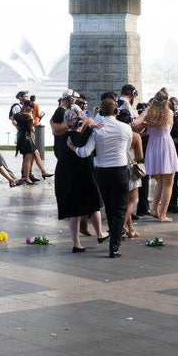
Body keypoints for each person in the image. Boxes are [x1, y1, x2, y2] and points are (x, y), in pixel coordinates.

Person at [69, 98, 132, 258]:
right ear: (116, 111)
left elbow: (85, 152)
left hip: (102, 172)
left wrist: (73, 147)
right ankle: (115, 245)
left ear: (101, 112)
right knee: (120, 209)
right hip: (120, 170)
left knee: (109, 207)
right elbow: (127, 148)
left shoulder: (97, 129)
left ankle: (113, 236)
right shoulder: (126, 128)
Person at [52, 90, 105, 250]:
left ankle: (76, 243)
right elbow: (87, 150)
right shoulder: (82, 137)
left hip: (64, 177)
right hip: (83, 176)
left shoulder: (62, 139)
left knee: (74, 212)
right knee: (94, 204)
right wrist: (92, 124)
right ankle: (100, 233)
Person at [133, 97, 178, 220]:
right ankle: (163, 214)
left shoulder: (149, 114)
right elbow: (169, 129)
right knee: (168, 182)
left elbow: (135, 124)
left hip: (153, 146)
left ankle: (154, 209)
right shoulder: (169, 113)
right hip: (165, 145)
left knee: (160, 181)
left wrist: (147, 112)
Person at [120, 108, 145, 239]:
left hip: (118, 167)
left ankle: (130, 229)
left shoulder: (117, 133)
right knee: (132, 201)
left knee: (125, 200)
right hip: (131, 169)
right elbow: (140, 156)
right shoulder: (135, 136)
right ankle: (121, 226)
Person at [14, 100, 41, 184]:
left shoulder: (17, 115)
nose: (32, 110)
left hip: (20, 137)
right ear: (27, 107)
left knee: (32, 155)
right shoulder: (28, 117)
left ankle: (28, 175)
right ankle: (26, 176)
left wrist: (18, 126)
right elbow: (32, 129)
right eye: (31, 108)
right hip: (27, 138)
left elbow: (13, 119)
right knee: (28, 158)